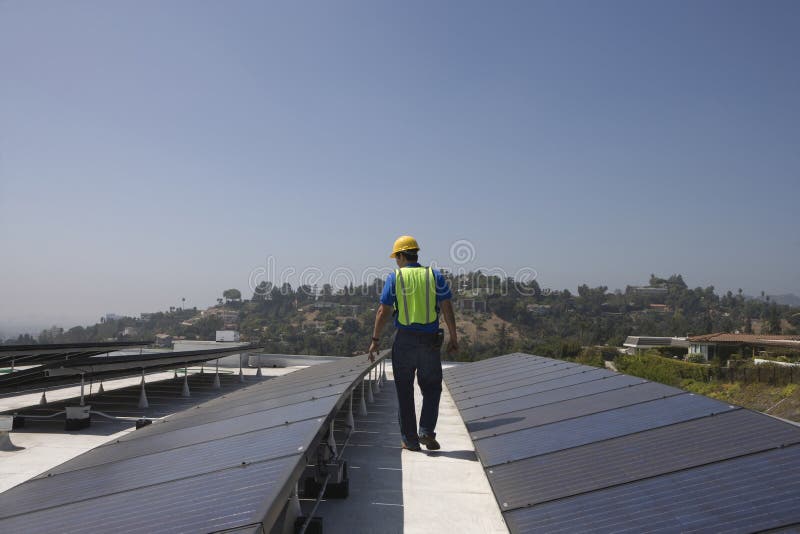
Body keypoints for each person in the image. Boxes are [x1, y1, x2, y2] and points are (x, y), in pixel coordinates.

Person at [368, 235, 458, 451]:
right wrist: (454, 338)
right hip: (429, 341)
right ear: (415, 253)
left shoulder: (395, 278)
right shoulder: (434, 275)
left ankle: (410, 440)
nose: (396, 261)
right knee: (432, 388)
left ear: (401, 255)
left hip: (405, 340)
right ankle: (426, 431)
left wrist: (375, 340)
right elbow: (447, 309)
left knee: (404, 391)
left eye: (396, 257)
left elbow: (383, 311)